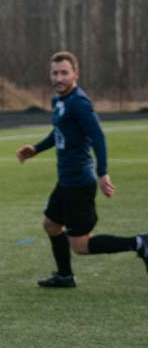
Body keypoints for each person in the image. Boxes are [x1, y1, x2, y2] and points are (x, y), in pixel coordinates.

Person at [15, 51, 147, 286]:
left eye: (64, 73)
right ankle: (65, 276)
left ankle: (141, 243)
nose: (59, 78)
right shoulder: (59, 100)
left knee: (81, 245)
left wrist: (103, 173)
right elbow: (60, 131)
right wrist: (36, 148)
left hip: (78, 183)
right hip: (66, 180)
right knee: (51, 225)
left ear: (76, 74)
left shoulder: (79, 103)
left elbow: (98, 137)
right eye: (55, 73)